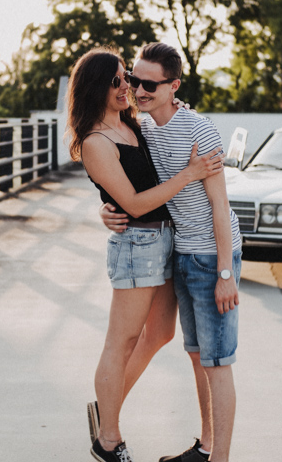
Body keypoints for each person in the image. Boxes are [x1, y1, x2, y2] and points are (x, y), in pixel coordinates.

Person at [66, 47, 224, 462]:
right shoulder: (96, 141)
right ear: (95, 88)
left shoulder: (133, 124)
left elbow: (167, 122)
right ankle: (109, 438)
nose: (129, 88)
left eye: (130, 79)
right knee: (122, 341)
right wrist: (191, 173)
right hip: (137, 245)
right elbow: (133, 203)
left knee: (160, 334)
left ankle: (106, 408)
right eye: (120, 81)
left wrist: (172, 102)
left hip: (165, 240)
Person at [102, 42, 243, 462]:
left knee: (218, 364)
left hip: (212, 255)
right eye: (132, 80)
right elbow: (129, 186)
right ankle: (204, 448)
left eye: (148, 83)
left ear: (173, 86)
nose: (137, 90)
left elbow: (221, 206)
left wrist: (224, 274)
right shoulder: (142, 128)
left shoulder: (200, 131)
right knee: (198, 356)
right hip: (180, 253)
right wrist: (107, 210)